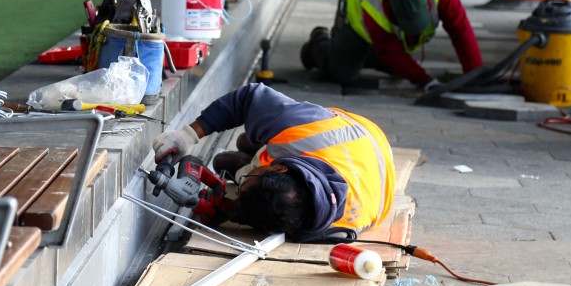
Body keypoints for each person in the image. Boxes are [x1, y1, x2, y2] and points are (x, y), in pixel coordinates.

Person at [151, 83, 395, 238]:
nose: (239, 185)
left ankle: (251, 172)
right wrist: (187, 135)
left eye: (244, 181)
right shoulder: (301, 128)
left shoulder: (324, 230)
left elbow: (271, 222)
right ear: (279, 167)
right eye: (247, 181)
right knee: (246, 141)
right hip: (362, 134)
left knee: (228, 161)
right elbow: (247, 97)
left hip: (374, 176)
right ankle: (252, 163)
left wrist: (236, 213)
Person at [300, 0, 483, 92]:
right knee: (343, 74)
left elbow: (462, 32)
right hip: (352, 7)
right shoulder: (375, 9)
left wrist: (474, 72)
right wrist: (426, 82)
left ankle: (364, 55)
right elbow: (390, 53)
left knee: (399, 68)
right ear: (394, 15)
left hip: (380, 13)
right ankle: (319, 42)